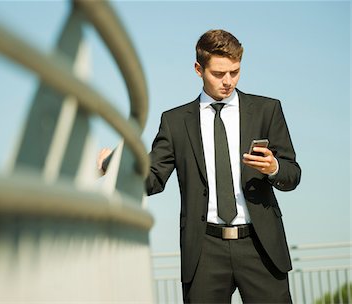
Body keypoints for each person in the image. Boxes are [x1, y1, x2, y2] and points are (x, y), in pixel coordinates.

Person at [98, 29, 301, 303]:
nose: (228, 81)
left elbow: (293, 174)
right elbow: (153, 179)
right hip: (204, 250)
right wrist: (115, 165)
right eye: (219, 74)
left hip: (261, 246)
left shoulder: (267, 110)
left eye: (235, 72)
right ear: (198, 69)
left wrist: (274, 167)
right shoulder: (175, 122)